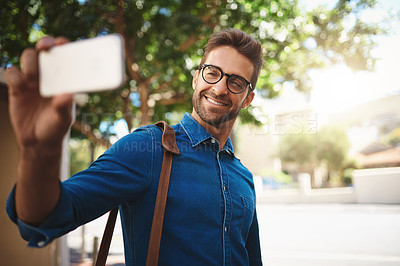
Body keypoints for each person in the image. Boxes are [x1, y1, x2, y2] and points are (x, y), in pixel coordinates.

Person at [5, 28, 264, 265]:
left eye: (236, 82)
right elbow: (47, 216)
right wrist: (37, 152)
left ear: (247, 99)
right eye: (212, 72)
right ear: (196, 78)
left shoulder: (243, 177)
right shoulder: (148, 147)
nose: (219, 88)